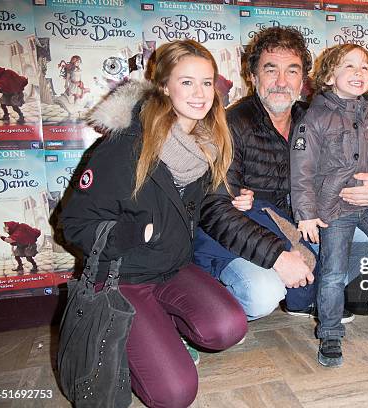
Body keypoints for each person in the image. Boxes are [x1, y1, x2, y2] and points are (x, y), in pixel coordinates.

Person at [60, 40, 247, 408]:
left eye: (207, 83)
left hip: (171, 268)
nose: (200, 94)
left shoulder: (205, 144)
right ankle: (140, 342)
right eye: (187, 82)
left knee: (228, 327)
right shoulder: (127, 144)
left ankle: (158, 329)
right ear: (163, 86)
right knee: (175, 394)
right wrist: (133, 233)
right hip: (120, 277)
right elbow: (74, 223)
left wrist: (233, 197)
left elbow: (195, 204)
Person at [196, 27, 368, 321]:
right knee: (262, 295)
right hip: (243, 235)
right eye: (271, 70)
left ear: (304, 80)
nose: (282, 82)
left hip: (298, 227)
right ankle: (211, 299)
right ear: (253, 76)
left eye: (292, 71)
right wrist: (277, 256)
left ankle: (310, 292)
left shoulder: (313, 117)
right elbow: (213, 210)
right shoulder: (231, 124)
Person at [290, 44, 368, 367]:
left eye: (364, 68)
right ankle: (329, 333)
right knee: (333, 271)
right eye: (349, 67)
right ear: (330, 76)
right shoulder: (314, 116)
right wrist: (306, 214)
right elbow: (300, 169)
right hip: (333, 207)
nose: (359, 74)